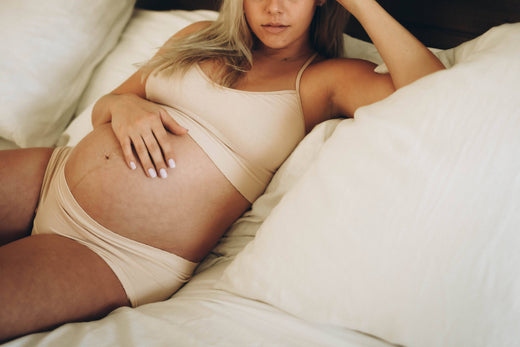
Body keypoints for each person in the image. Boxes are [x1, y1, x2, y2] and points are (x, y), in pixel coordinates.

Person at [0, 0, 445, 341]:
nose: (274, 7)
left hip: (112, 253)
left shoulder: (324, 80)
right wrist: (125, 106)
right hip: (48, 174)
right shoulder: (197, 36)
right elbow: (105, 107)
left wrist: (362, 4)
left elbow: (433, 92)